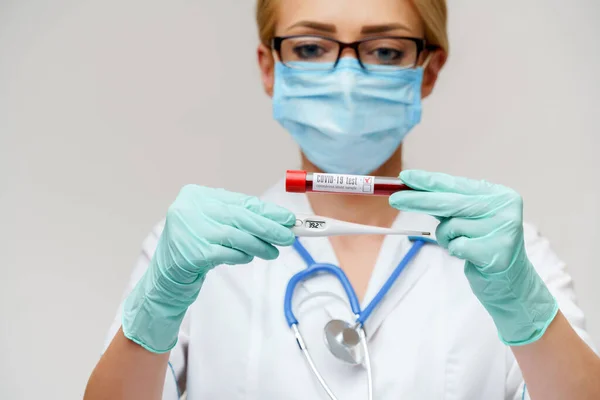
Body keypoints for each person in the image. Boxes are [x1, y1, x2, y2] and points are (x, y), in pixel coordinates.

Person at [84, 0, 600, 399]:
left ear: (429, 69)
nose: (348, 79)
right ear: (270, 67)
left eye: (385, 51)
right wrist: (155, 313)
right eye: (310, 48)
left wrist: (528, 311)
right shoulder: (190, 256)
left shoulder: (509, 257)